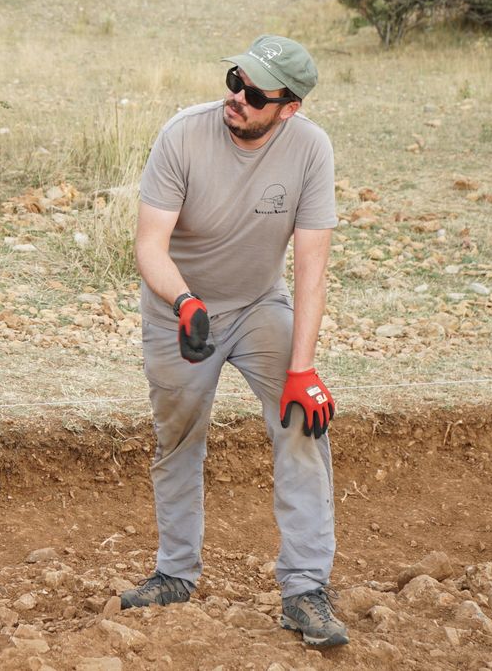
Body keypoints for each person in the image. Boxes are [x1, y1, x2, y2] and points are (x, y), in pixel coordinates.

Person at [120, 33, 346, 650]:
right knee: (179, 435)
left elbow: (312, 268)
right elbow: (149, 245)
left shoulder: (310, 150)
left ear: (288, 107)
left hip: (257, 306)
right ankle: (174, 572)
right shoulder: (183, 134)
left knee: (304, 421)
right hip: (179, 308)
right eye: (234, 81)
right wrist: (184, 303)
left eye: (254, 93)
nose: (236, 98)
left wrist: (303, 369)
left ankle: (305, 591)